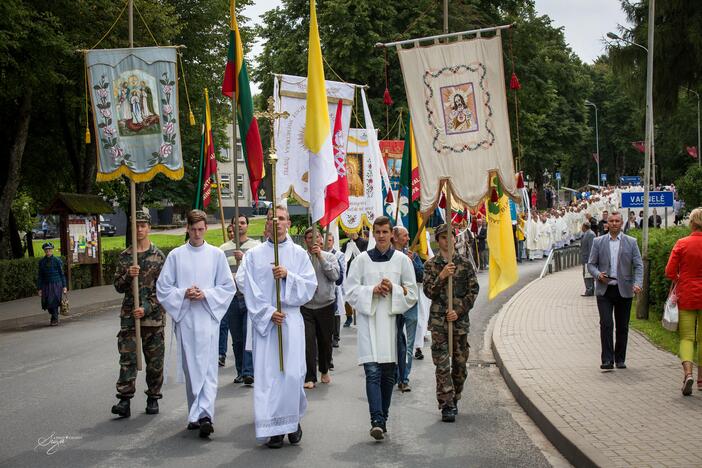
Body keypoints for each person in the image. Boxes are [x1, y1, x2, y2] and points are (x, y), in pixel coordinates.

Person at [236, 207, 317, 448]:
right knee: (269, 376)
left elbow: (309, 286)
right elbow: (248, 287)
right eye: (272, 218)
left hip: (290, 321)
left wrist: (287, 276)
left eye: (281, 218)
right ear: (266, 224)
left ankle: (292, 421)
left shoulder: (299, 254)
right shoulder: (254, 256)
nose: (276, 222)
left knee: (292, 374)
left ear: (288, 223)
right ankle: (274, 429)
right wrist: (269, 312)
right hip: (267, 324)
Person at [156, 210, 236, 438]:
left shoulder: (216, 255)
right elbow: (163, 288)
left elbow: (227, 287)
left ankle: (205, 415)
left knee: (209, 368)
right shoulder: (176, 256)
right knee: (191, 368)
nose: (198, 233)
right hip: (187, 320)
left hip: (208, 319)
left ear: (206, 229)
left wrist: (207, 295)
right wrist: (183, 293)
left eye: (201, 229)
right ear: (187, 229)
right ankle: (196, 412)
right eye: (193, 229)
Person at [345, 216, 418, 440]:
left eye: (385, 232)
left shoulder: (402, 261)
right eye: (377, 232)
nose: (381, 236)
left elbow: (412, 292)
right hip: (369, 324)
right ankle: (376, 419)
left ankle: (383, 416)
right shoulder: (362, 261)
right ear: (373, 234)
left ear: (391, 235)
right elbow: (350, 290)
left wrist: (394, 288)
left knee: (388, 376)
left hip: (390, 324)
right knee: (372, 372)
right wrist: (372, 291)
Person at [111, 211, 166, 418]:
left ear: (149, 228)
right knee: (127, 359)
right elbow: (117, 285)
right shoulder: (126, 256)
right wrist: (128, 275)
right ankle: (124, 400)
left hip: (152, 318)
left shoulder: (158, 256)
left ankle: (153, 397)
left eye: (143, 225)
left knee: (154, 361)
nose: (140, 229)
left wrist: (146, 307)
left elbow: (164, 291)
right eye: (136, 225)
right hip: (129, 317)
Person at [423, 224, 479, 422]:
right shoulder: (431, 265)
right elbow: (429, 292)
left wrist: (459, 311)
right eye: (443, 237)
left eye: (451, 236)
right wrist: (441, 276)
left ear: (455, 239)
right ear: (438, 241)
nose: (448, 240)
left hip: (459, 323)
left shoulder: (464, 264)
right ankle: (446, 404)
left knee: (460, 366)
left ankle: (455, 397)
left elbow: (473, 291)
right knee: (442, 366)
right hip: (439, 323)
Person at [587, 211, 643, 370]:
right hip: (605, 290)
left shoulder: (631, 242)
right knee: (606, 324)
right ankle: (607, 359)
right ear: (607, 224)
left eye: (617, 221)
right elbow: (591, 264)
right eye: (611, 221)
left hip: (624, 289)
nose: (614, 223)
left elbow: (638, 265)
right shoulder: (598, 242)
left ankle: (620, 359)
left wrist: (638, 283)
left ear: (621, 222)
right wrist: (598, 275)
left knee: (622, 326)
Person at [219, 216, 260, 386]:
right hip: (232, 298)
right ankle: (240, 370)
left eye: (243, 223)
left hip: (249, 297)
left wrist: (243, 258)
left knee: (248, 334)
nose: (239, 226)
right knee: (236, 338)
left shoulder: (255, 248)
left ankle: (249, 371)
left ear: (247, 226)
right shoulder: (222, 249)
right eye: (236, 223)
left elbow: (259, 271)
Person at [665, 207, 702, 395]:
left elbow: (669, 272)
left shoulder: (682, 243)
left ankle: (688, 374)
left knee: (687, 337)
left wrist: (681, 276)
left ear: (692, 222)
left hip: (687, 294)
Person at [300, 227, 340, 388]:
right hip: (306, 306)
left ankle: (324, 369)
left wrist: (321, 257)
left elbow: (335, 277)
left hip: (326, 305)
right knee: (308, 341)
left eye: (316, 237)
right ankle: (310, 376)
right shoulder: (301, 257)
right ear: (305, 240)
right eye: (310, 237)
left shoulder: (330, 256)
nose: (313, 240)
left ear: (322, 240)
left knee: (325, 341)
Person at [391, 226, 424, 392]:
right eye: (405, 235)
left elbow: (421, 276)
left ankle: (404, 378)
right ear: (395, 238)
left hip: (410, 304)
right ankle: (395, 374)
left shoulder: (413, 255)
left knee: (409, 344)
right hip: (394, 304)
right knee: (396, 342)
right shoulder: (388, 257)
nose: (408, 238)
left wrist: (413, 263)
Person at [341, 230, 368, 327]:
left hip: (361, 272)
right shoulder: (345, 244)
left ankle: (362, 313)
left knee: (361, 293)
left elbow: (365, 256)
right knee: (347, 293)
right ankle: (349, 316)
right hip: (349, 271)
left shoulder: (364, 242)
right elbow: (343, 258)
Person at [37, 242, 67, 326]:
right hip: (46, 284)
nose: (48, 251)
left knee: (53, 301)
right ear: (44, 250)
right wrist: (39, 288)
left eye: (49, 249)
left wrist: (64, 286)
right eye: (46, 249)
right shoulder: (41, 262)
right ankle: (54, 314)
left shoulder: (57, 261)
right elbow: (40, 276)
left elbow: (62, 274)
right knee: (47, 302)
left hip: (56, 284)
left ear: (52, 250)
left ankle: (55, 318)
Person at [324, 233, 345, 351]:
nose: (328, 242)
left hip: (336, 288)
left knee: (336, 313)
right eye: (326, 240)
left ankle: (336, 337)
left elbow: (341, 273)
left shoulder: (338, 255)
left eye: (330, 240)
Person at [580, 222, 596, 297]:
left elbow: (591, 248)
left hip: (588, 259)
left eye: (582, 226)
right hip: (585, 259)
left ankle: (589, 290)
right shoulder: (586, 234)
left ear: (585, 227)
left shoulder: (591, 234)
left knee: (588, 275)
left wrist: (591, 260)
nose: (581, 228)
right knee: (586, 275)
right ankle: (589, 289)